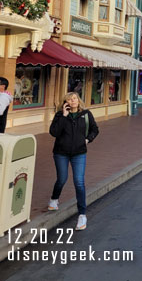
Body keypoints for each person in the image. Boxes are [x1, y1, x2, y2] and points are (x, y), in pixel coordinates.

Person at [48, 92, 99, 230]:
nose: (73, 100)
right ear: (66, 102)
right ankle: (54, 199)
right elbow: (54, 132)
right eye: (70, 99)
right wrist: (64, 116)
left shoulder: (86, 114)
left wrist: (88, 139)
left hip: (79, 153)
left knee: (79, 182)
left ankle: (82, 215)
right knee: (62, 179)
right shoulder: (60, 115)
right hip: (61, 153)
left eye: (75, 98)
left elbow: (95, 129)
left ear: (78, 100)